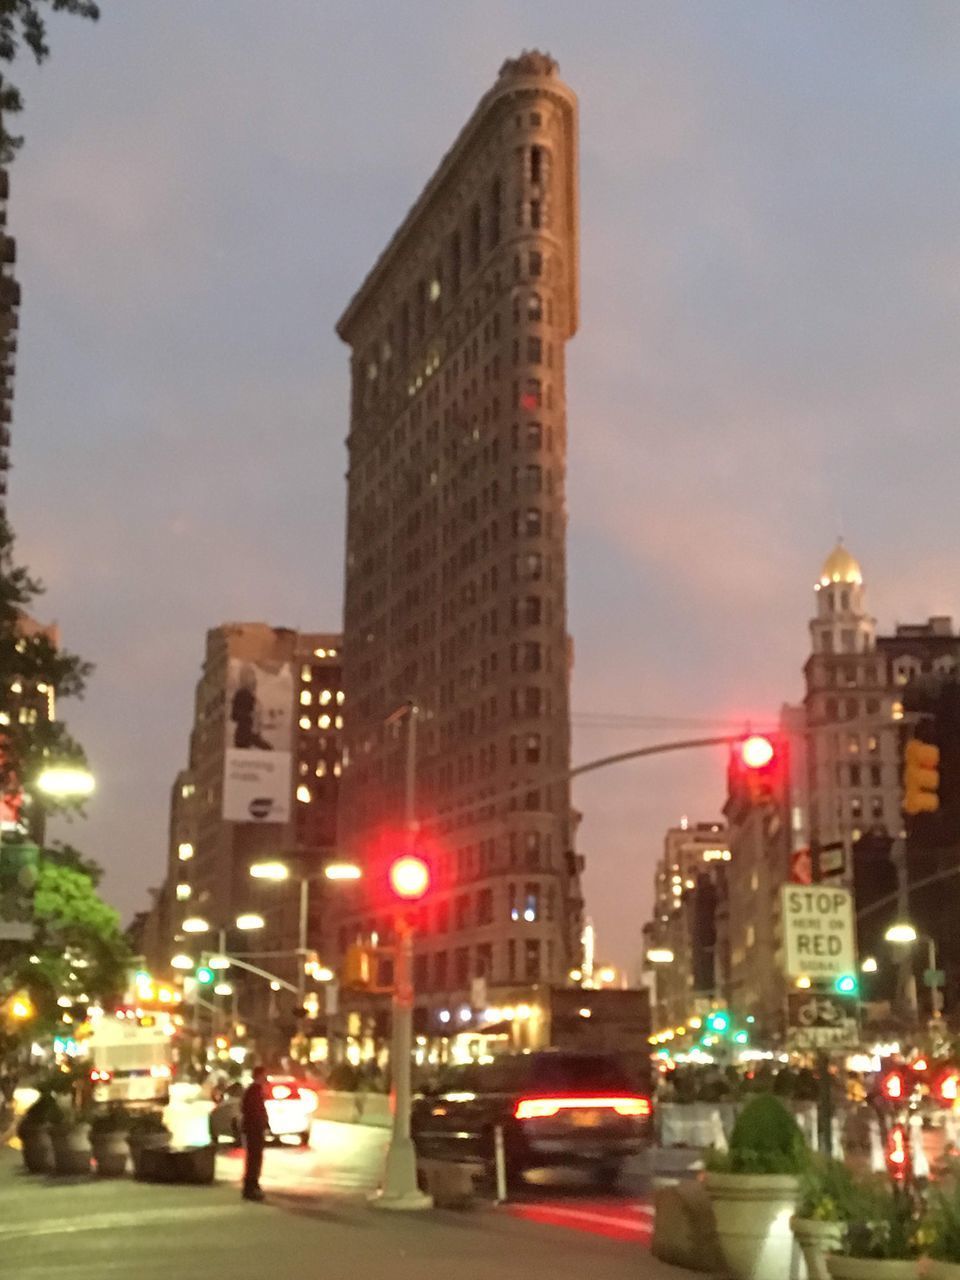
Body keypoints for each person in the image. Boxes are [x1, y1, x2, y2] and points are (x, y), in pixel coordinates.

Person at [241, 1065, 270, 1201]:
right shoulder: (254, 1090)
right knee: (254, 1159)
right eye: (264, 1075)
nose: (266, 1078)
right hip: (254, 1130)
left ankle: (252, 1185)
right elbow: (254, 1111)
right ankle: (250, 1187)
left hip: (254, 1129)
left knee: (254, 1159)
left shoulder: (254, 1090)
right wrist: (260, 1124)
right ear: (259, 1075)